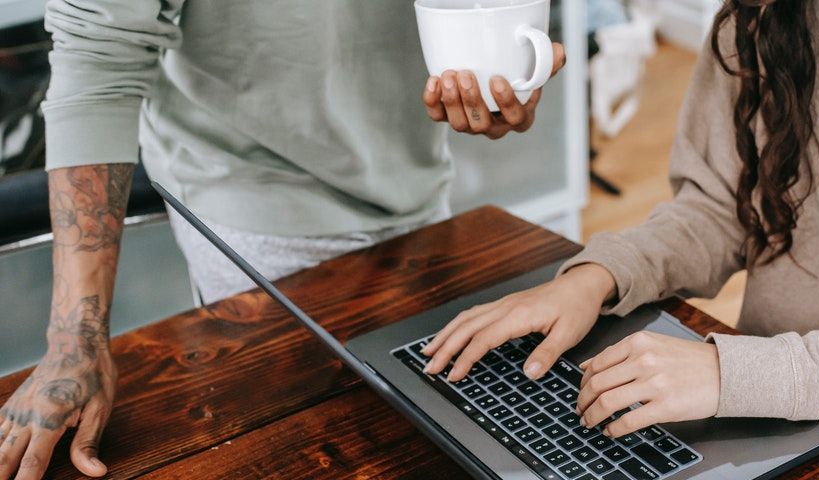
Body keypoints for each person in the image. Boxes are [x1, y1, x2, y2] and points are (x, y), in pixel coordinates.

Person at [0, 1, 566, 479]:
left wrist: (505, 70)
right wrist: (73, 336)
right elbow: (98, 62)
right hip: (249, 203)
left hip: (411, 178)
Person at [426, 0, 819, 440]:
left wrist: (732, 373)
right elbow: (720, 210)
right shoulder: (761, 11)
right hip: (760, 420)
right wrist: (599, 276)